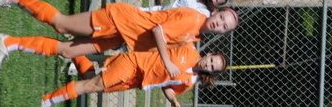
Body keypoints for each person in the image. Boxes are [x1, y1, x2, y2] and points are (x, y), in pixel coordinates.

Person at [0, 0, 239, 75]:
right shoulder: (194, 19)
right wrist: (167, 62)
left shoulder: (195, 34)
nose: (219, 24)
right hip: (119, 20)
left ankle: (8, 43)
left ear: (222, 33)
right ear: (216, 12)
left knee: (68, 51)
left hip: (122, 37)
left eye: (224, 27)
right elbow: (158, 31)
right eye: (221, 19)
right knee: (62, 23)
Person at [40, 44, 226, 107]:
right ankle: (47, 100)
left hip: (136, 81)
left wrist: (173, 101)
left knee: (90, 79)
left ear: (210, 72)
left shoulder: (190, 81)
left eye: (211, 67)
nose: (208, 64)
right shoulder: (189, 48)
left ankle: (70, 49)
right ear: (209, 54)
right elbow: (162, 39)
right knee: (92, 85)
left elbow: (168, 87)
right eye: (211, 60)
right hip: (134, 63)